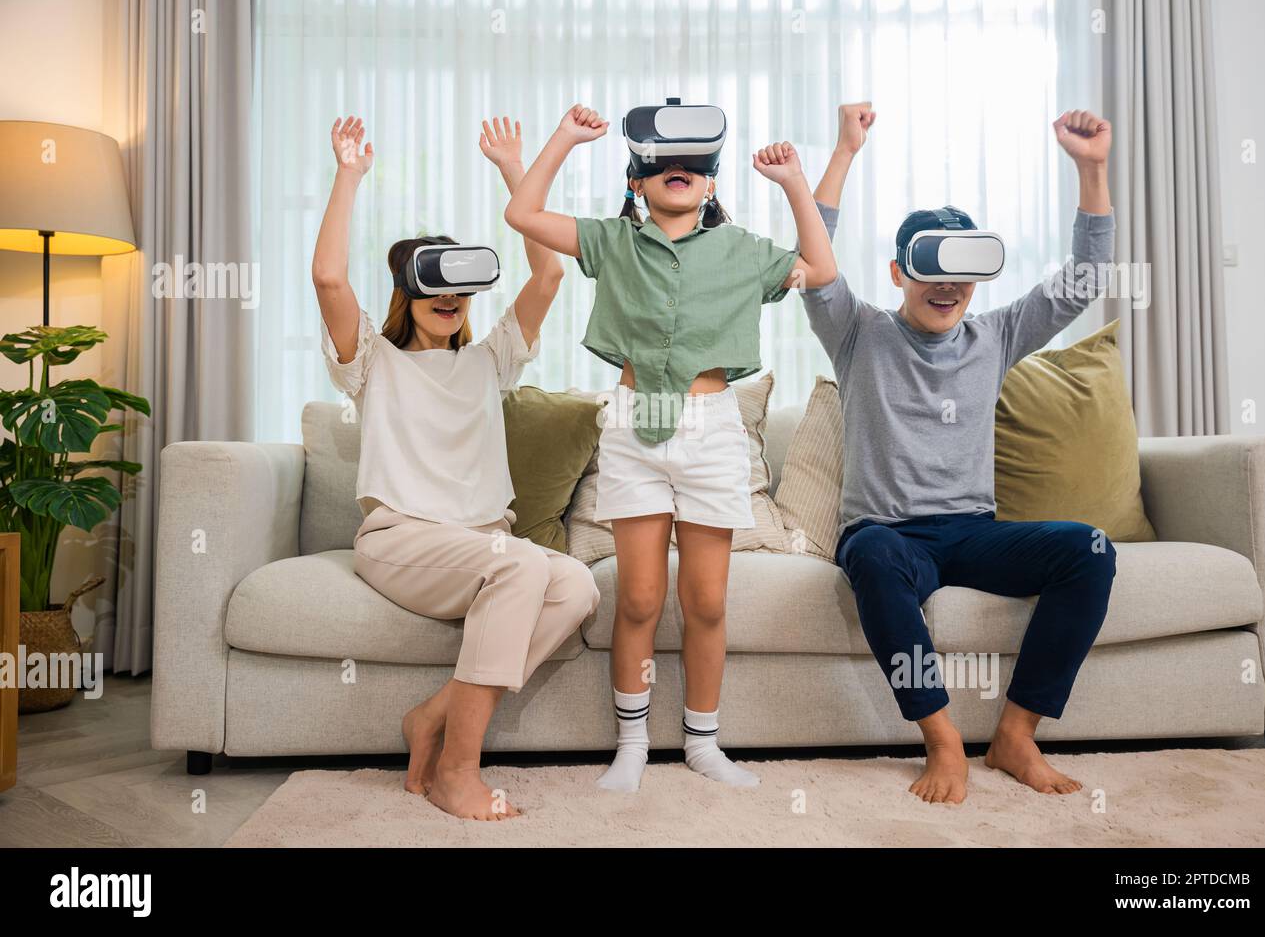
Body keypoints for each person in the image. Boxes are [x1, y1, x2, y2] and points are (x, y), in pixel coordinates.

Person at [505, 104, 838, 791]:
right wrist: (564, 137)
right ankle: (630, 745)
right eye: (660, 165)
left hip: (713, 429)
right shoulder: (611, 242)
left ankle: (702, 745)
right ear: (638, 184)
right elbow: (524, 215)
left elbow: (822, 270)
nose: (677, 172)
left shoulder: (744, 251)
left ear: (711, 185)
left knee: (708, 602)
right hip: (634, 427)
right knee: (638, 599)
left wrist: (795, 183)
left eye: (693, 166)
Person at [805, 103, 1118, 804]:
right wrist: (845, 152)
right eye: (930, 266)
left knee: (1090, 550)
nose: (947, 284)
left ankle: (1015, 735)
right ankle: (944, 742)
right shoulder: (858, 332)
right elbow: (814, 255)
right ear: (897, 271)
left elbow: (1088, 275)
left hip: (973, 531)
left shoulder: (997, 335)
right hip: (887, 536)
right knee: (875, 554)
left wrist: (1090, 168)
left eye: (962, 268)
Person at [311, 114, 598, 820]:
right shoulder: (371, 362)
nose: (449, 298)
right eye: (433, 284)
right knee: (525, 566)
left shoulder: (489, 359)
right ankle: (457, 771)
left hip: (480, 543)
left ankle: (433, 715)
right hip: (403, 542)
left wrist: (514, 167)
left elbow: (550, 270)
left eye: (462, 287)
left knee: (577, 585)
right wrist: (348, 176)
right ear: (406, 290)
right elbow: (327, 276)